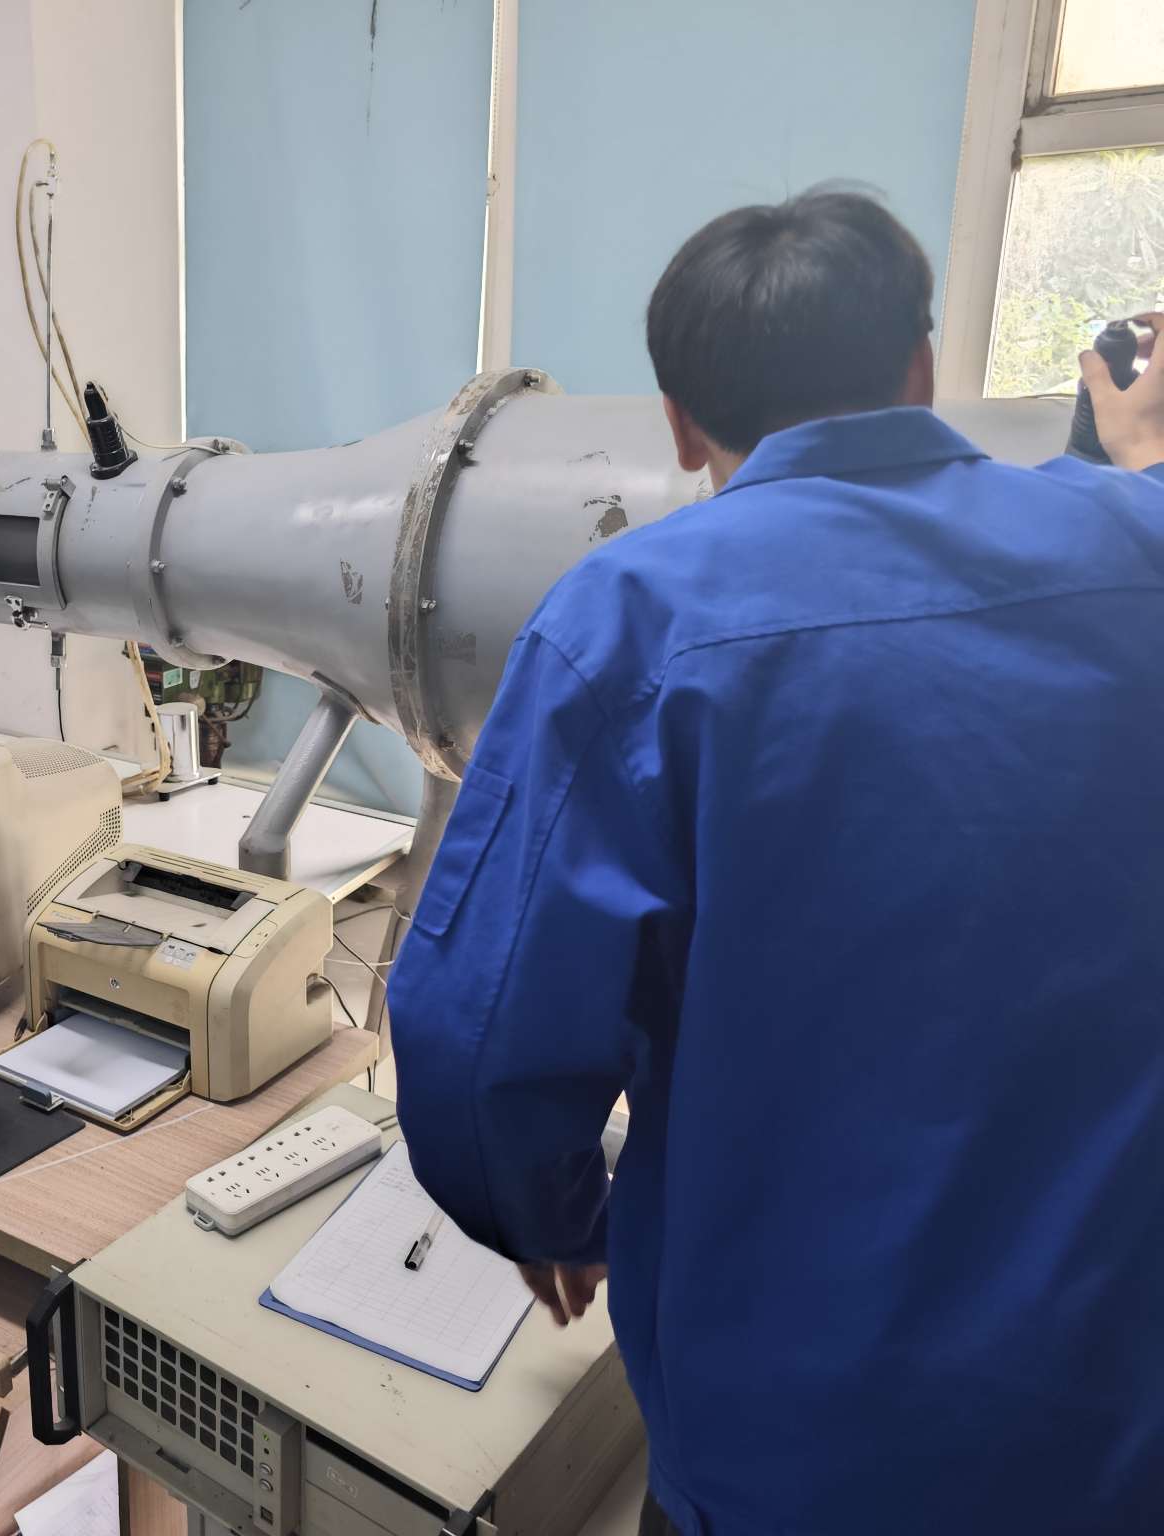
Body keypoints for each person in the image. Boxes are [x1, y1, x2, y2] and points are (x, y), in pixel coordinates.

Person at [389, 188, 1164, 1535]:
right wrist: (1131, 472)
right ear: (921, 368)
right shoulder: (1140, 552)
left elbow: (472, 1049)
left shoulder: (628, 619)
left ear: (680, 426)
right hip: (1108, 1431)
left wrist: (554, 1217)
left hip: (791, 1461)